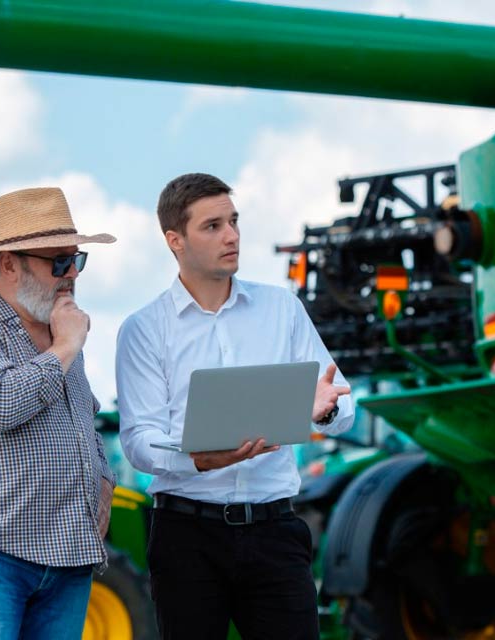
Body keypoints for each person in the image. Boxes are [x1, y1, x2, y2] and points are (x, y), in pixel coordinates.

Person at [116, 173, 354, 639]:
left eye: (234, 221)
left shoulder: (282, 310)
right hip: (187, 537)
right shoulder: (143, 329)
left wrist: (324, 410)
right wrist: (199, 461)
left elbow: (342, 407)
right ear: (175, 240)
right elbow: (139, 442)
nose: (232, 236)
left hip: (276, 529)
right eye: (212, 226)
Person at [0, 187, 117, 639]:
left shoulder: (59, 335)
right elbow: (2, 404)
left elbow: (83, 418)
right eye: (59, 262)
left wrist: (104, 480)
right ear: (9, 263)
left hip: (68, 558)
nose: (71, 275)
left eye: (77, 260)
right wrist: (66, 346)